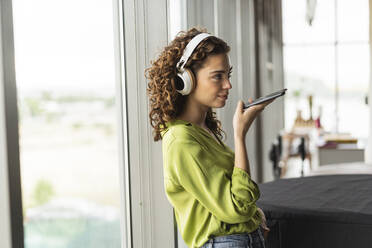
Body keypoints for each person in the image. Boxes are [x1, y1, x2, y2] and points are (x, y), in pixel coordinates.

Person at [146, 27, 273, 248]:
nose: (228, 85)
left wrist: (256, 216)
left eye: (228, 75)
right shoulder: (181, 141)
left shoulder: (202, 129)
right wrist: (239, 134)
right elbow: (236, 208)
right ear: (186, 80)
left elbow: (228, 195)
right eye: (217, 76)